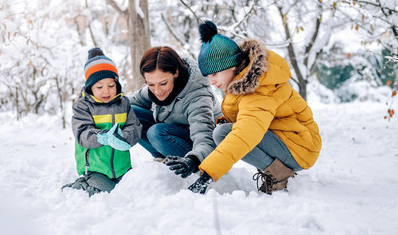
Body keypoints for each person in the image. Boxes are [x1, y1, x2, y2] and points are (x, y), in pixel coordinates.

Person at [188, 21, 322, 195]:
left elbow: (245, 133)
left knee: (224, 134)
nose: (212, 82)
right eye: (208, 76)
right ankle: (276, 170)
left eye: (214, 74)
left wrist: (207, 175)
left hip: (300, 148)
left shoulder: (258, 89)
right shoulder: (242, 82)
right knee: (223, 131)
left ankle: (279, 175)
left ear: (232, 66)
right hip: (292, 140)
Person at [130, 46, 222, 178]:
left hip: (201, 151)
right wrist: (97, 107)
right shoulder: (156, 89)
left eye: (163, 83)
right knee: (130, 113)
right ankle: (163, 157)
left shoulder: (198, 96)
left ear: (176, 73)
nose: (157, 91)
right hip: (175, 135)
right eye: (151, 84)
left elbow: (205, 137)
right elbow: (129, 102)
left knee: (157, 132)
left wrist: (193, 160)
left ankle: (185, 162)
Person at [62, 48, 142, 196]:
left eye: (111, 86)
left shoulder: (123, 103)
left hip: (122, 167)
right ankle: (81, 186)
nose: (106, 91)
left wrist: (124, 137)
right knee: (104, 191)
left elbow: (135, 127)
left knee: (131, 189)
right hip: (95, 167)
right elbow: (82, 133)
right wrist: (101, 136)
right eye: (99, 87)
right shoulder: (83, 106)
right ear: (90, 87)